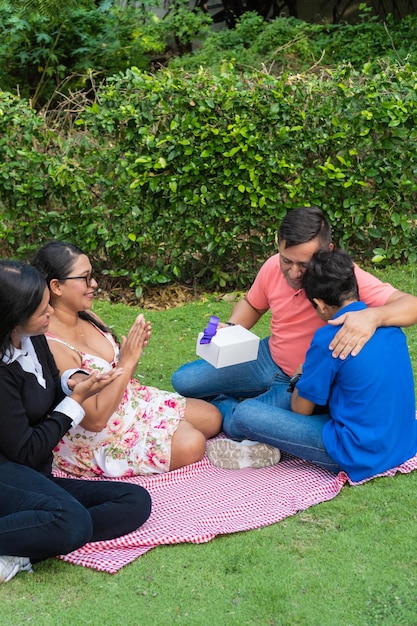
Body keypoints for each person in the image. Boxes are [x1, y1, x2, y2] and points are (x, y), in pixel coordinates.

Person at [171, 206, 417, 468]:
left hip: (303, 382)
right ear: (278, 245)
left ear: (328, 251)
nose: (294, 272)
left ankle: (225, 409)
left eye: (304, 264)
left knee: (240, 421)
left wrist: (373, 316)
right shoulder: (271, 268)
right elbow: (253, 304)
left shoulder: (343, 278)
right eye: (286, 260)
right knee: (184, 381)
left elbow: (411, 305)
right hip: (268, 357)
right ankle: (236, 406)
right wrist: (231, 327)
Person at [0, 261, 151, 583]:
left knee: (134, 501)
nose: (51, 315)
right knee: (72, 522)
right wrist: (76, 402)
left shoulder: (34, 338)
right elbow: (25, 451)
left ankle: (19, 545)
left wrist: (72, 382)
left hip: (33, 474)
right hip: (9, 472)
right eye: (42, 311)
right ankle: (37, 533)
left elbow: (49, 383)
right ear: (13, 318)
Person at [208, 249, 417, 479]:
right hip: (403, 442)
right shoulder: (390, 325)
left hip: (356, 453)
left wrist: (301, 374)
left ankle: (219, 405)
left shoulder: (328, 339)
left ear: (319, 304)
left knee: (246, 414)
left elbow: (301, 409)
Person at [32, 241, 222, 479]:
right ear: (57, 286)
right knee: (192, 442)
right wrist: (127, 361)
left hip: (130, 401)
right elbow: (95, 420)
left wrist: (132, 354)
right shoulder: (52, 345)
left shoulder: (88, 316)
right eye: (85, 277)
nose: (94, 284)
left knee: (212, 417)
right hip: (96, 434)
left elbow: (121, 374)